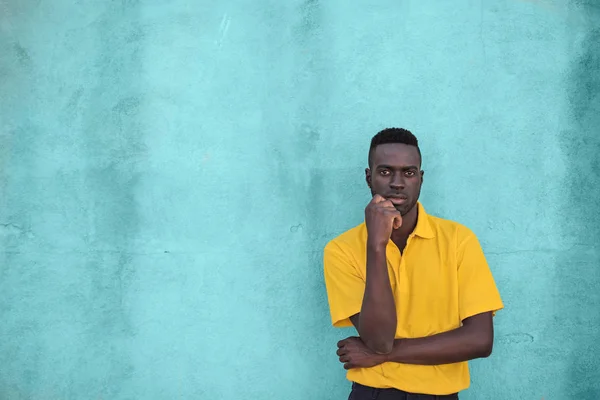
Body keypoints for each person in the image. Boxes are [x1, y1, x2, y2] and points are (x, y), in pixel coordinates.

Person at [323, 128, 504, 399]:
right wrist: (376, 245)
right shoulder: (341, 250)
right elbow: (378, 341)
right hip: (373, 394)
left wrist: (383, 356)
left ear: (420, 179)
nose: (397, 182)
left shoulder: (457, 240)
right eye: (385, 172)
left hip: (439, 395)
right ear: (368, 177)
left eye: (408, 172)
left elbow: (480, 341)